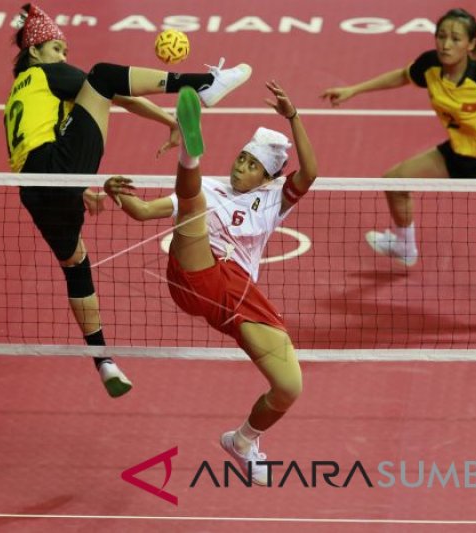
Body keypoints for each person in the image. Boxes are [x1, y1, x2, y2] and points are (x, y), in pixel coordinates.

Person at [6, 3, 252, 398]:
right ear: (35, 52)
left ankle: (103, 360)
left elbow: (38, 143)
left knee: (75, 263)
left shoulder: (21, 93)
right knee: (103, 74)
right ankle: (206, 83)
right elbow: (113, 88)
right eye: (57, 49)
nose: (63, 57)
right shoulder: (44, 73)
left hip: (36, 189)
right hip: (57, 169)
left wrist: (78, 188)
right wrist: (171, 118)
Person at [103, 81, 318, 484]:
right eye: (240, 158)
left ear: (268, 177)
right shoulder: (210, 188)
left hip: (234, 292)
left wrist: (293, 116)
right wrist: (114, 192)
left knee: (289, 386)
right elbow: (144, 211)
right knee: (194, 203)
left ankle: (243, 441)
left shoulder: (274, 201)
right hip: (192, 271)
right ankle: (189, 152)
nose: (241, 166)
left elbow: (311, 172)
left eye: (252, 164)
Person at [321, 8, 476, 330]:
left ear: (471, 44)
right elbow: (403, 75)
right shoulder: (430, 65)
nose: (446, 44)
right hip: (456, 152)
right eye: (442, 36)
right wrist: (353, 90)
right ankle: (404, 245)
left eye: (455, 39)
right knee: (394, 181)